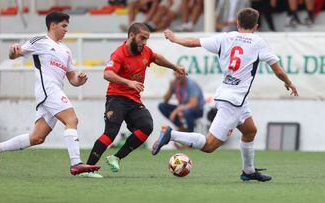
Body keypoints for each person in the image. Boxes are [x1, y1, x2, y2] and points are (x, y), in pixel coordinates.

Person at [152, 8, 298, 182]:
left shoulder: (226, 37)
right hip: (233, 102)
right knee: (209, 146)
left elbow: (194, 42)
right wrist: (288, 83)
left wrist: (176, 39)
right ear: (256, 26)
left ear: (237, 23)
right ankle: (172, 134)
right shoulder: (259, 42)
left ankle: (248, 171)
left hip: (231, 97)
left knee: (250, 131)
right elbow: (278, 70)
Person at [0, 11, 101, 176]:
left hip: (55, 92)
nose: (66, 29)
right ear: (52, 25)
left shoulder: (66, 51)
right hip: (48, 90)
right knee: (72, 119)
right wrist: (13, 50)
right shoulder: (40, 41)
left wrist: (79, 81)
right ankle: (76, 163)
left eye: (67, 26)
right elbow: (14, 55)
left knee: (37, 138)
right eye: (64, 26)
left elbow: (72, 79)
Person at [82, 22, 186, 178]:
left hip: (133, 101)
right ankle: (87, 169)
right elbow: (107, 74)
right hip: (116, 98)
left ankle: (116, 157)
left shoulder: (145, 51)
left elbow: (157, 58)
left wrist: (175, 67)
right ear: (131, 36)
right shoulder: (119, 53)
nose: (144, 43)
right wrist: (128, 82)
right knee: (111, 133)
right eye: (142, 38)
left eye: (147, 39)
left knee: (146, 126)